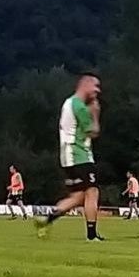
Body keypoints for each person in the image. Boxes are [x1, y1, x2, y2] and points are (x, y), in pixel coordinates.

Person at [36, 72, 104, 241]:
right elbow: (93, 131)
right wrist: (95, 114)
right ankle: (91, 235)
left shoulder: (69, 103)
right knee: (92, 192)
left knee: (78, 196)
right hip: (79, 155)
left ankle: (47, 219)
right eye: (95, 86)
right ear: (85, 85)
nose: (97, 90)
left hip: (67, 156)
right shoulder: (79, 106)